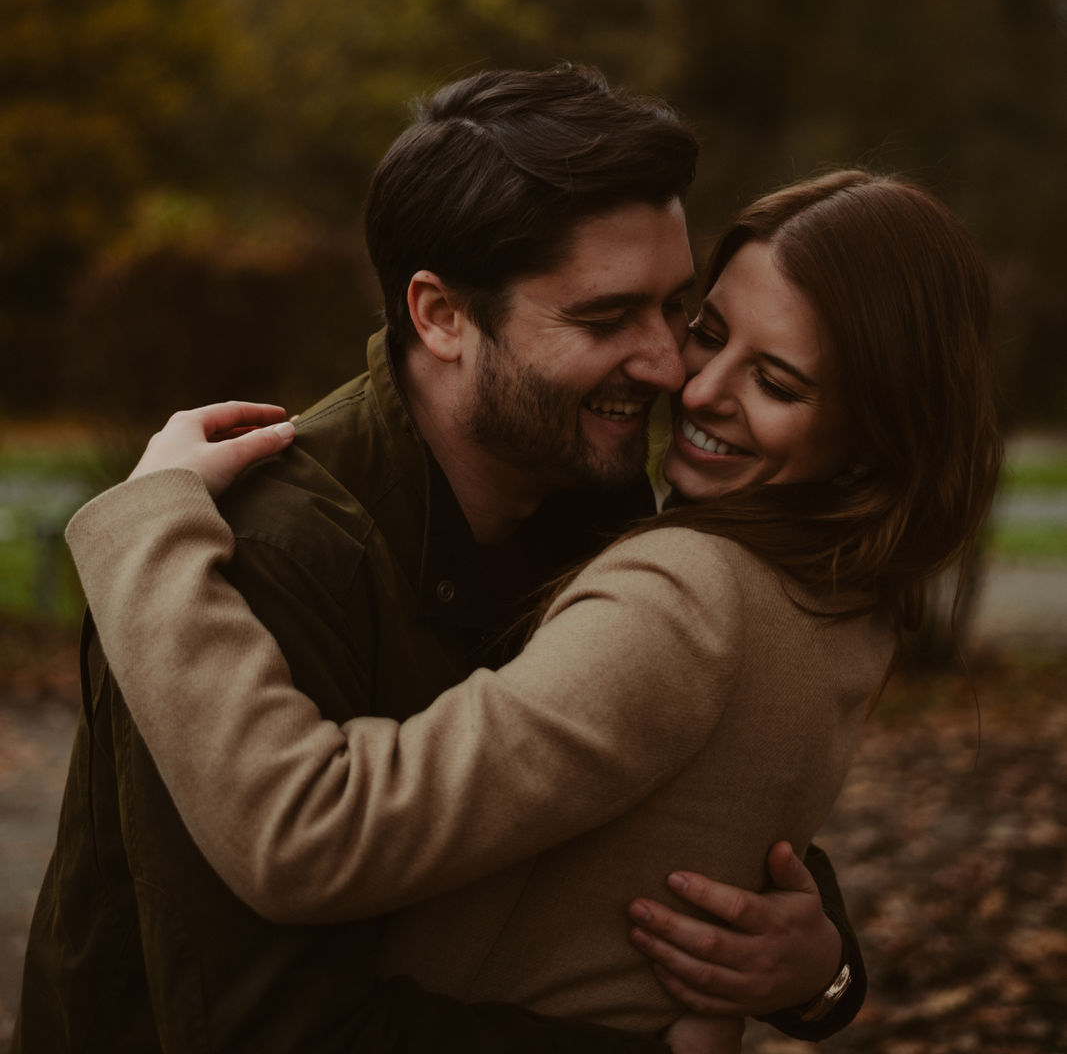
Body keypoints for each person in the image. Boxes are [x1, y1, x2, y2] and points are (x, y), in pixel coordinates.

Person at [15, 68, 863, 1054]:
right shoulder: (257, 559)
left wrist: (819, 967)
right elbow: (268, 1029)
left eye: (676, 308)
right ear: (442, 314)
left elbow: (663, 786)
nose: (671, 366)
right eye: (604, 319)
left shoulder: (593, 491)